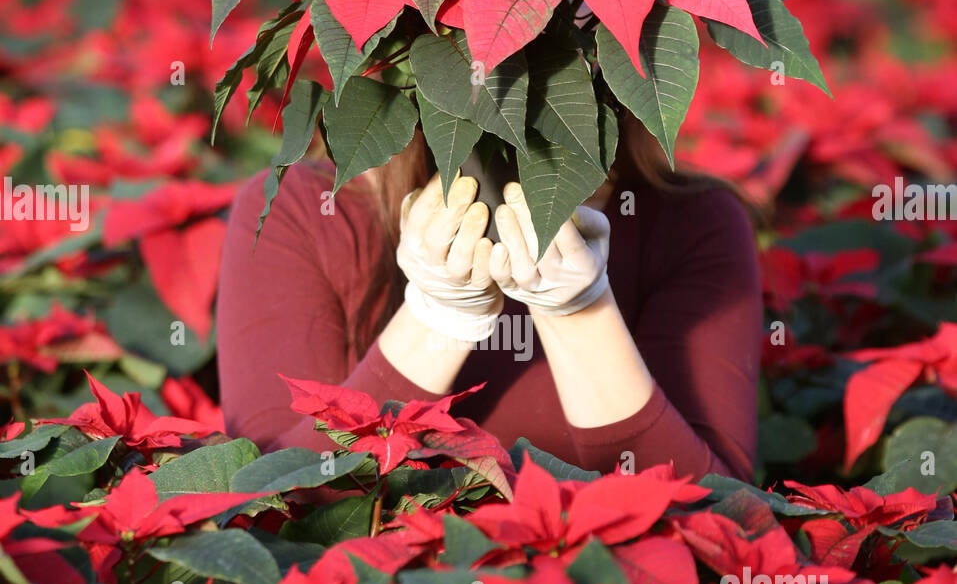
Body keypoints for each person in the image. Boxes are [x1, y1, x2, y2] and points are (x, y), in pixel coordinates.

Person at [216, 112, 762, 478]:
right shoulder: (305, 211)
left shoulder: (690, 221)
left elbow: (721, 521)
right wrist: (436, 320)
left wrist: (581, 314)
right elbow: (269, 504)